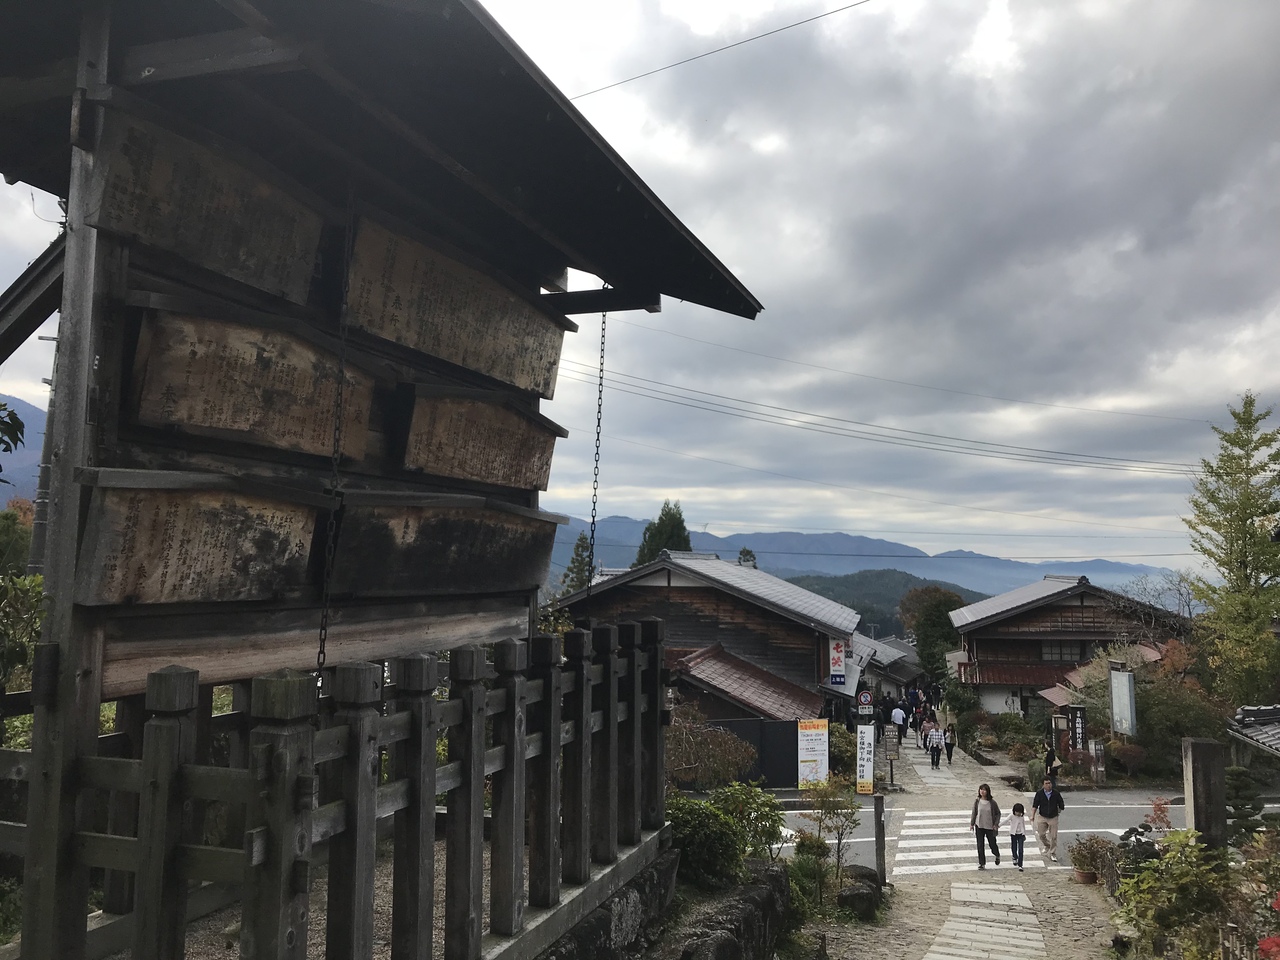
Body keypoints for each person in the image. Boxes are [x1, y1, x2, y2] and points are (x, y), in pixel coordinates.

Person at [1031, 776, 1066, 862]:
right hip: (1042, 816)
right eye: (1046, 783)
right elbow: (1035, 805)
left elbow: (1061, 804)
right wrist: (1032, 816)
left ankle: (1052, 853)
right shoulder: (1039, 793)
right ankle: (1047, 845)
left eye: (1049, 783)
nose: (1048, 785)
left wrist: (1058, 811)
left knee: (1053, 836)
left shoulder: (1056, 793)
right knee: (1041, 834)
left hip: (1053, 817)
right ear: (1043, 785)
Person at [969, 783, 1001, 869]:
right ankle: (982, 863)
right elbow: (974, 813)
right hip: (979, 826)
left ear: (987, 791)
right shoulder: (977, 801)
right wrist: (972, 824)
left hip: (990, 827)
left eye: (984, 790)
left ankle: (997, 854)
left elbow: (998, 813)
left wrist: (996, 824)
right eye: (981, 789)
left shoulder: (992, 803)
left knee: (992, 844)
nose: (982, 791)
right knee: (980, 845)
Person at [1001, 802, 1027, 871]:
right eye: (1017, 812)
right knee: (1014, 847)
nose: (1018, 813)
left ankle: (1020, 865)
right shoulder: (1012, 816)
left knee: (1021, 850)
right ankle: (1014, 857)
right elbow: (1005, 820)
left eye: (1019, 812)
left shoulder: (1021, 817)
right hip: (1013, 834)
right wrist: (998, 825)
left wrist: (1024, 834)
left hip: (1021, 834)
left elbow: (1023, 825)